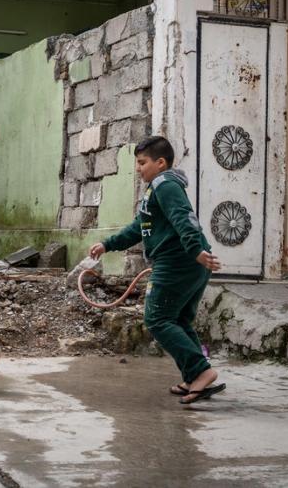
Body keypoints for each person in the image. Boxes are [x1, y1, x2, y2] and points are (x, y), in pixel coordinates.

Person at [90, 136, 224, 405]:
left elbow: (183, 217)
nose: (138, 168)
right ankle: (193, 376)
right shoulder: (155, 190)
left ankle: (201, 371)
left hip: (179, 262)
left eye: (142, 162)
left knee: (157, 318)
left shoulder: (165, 186)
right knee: (179, 320)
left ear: (160, 163)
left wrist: (195, 249)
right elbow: (139, 227)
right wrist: (107, 245)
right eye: (137, 163)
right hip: (187, 262)